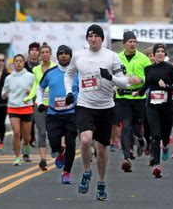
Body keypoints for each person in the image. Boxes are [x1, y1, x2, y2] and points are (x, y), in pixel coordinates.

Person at [64, 24, 132, 201]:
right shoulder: (79, 56)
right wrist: (69, 92)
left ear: (102, 38)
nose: (93, 39)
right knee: (85, 139)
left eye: (96, 36)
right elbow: (68, 74)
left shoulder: (112, 57)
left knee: (102, 148)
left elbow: (125, 83)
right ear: (87, 38)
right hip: (85, 106)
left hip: (106, 107)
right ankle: (87, 172)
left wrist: (110, 77)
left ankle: (101, 183)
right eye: (90, 36)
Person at [134, 43, 173, 178]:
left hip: (166, 107)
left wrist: (165, 86)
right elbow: (147, 84)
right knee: (155, 135)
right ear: (153, 55)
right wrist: (139, 92)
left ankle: (165, 146)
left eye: (162, 51)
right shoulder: (148, 69)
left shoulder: (170, 69)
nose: (160, 53)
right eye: (157, 51)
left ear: (165, 54)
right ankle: (157, 165)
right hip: (152, 106)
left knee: (165, 136)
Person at [37, 45, 79, 184]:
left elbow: (84, 89)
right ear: (57, 56)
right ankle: (60, 152)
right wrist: (39, 102)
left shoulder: (77, 73)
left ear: (71, 56)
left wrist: (77, 100)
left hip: (72, 114)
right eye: (61, 53)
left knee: (71, 143)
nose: (63, 55)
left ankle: (66, 172)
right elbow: (40, 87)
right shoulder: (50, 73)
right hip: (53, 113)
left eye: (67, 53)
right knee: (54, 142)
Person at [115, 31, 151, 172]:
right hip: (122, 97)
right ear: (124, 43)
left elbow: (150, 77)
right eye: (129, 41)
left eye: (134, 41)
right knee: (126, 126)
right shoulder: (116, 58)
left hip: (138, 98)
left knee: (136, 128)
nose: (132, 44)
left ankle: (140, 138)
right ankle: (126, 158)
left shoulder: (143, 59)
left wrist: (141, 79)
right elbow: (111, 75)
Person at [26, 43, 56, 170]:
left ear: (50, 54)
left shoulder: (56, 68)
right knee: (42, 131)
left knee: (54, 131)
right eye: (42, 52)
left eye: (46, 52)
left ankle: (56, 147)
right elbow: (36, 86)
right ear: (40, 54)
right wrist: (28, 97)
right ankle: (43, 160)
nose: (44, 54)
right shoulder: (35, 69)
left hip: (54, 103)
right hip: (39, 103)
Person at [2, 54, 35, 165]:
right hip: (13, 107)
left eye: (21, 61)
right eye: (16, 61)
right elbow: (4, 91)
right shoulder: (9, 78)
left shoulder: (30, 76)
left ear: (24, 62)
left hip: (26, 107)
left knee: (27, 137)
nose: (19, 63)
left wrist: (30, 93)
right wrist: (4, 95)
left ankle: (26, 153)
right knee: (16, 133)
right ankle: (17, 157)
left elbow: (36, 91)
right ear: (13, 63)